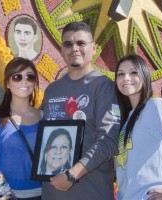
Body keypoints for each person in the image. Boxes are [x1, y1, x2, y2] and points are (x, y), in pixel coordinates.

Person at [41, 21, 120, 200]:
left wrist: (72, 174)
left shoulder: (105, 88)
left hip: (92, 194)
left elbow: (109, 140)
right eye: (68, 44)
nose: (74, 48)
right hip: (51, 195)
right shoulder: (52, 90)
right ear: (61, 49)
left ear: (94, 48)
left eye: (81, 43)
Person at [0, 57, 43, 200]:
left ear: (35, 82)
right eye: (17, 77)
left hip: (46, 194)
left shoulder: (44, 117)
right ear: (7, 83)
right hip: (8, 196)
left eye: (30, 77)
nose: (24, 81)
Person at [114, 54, 162, 200]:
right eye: (120, 74)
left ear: (144, 75)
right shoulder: (127, 118)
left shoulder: (155, 106)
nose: (126, 78)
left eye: (133, 72)